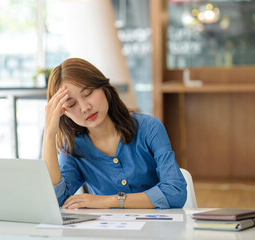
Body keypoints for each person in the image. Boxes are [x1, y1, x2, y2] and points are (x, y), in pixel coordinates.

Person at [42, 58, 187, 209]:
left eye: (88, 93)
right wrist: (49, 134)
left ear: (103, 87)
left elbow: (175, 193)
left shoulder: (149, 128)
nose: (85, 108)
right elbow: (54, 201)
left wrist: (110, 201)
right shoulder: (73, 148)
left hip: (160, 228)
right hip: (110, 231)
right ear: (64, 112)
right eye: (72, 104)